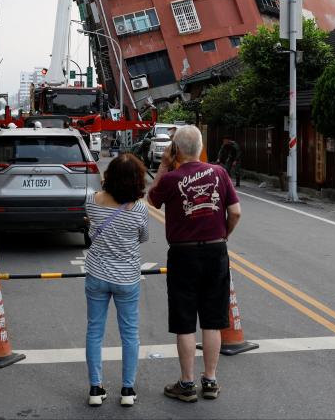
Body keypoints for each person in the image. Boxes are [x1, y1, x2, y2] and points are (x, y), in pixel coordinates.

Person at [148, 125, 241, 403]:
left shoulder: (171, 178)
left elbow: (150, 201)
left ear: (175, 149)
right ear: (201, 147)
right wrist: (223, 233)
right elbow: (235, 212)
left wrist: (164, 164)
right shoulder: (220, 173)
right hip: (216, 251)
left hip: (183, 254)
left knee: (185, 321)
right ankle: (210, 380)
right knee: (212, 321)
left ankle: (187, 385)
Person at [84, 154, 149, 407]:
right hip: (127, 278)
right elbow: (143, 238)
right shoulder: (140, 208)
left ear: (108, 176)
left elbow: (91, 229)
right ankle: (127, 391)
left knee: (94, 331)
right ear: (137, 180)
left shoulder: (92, 201)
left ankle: (95, 388)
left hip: (97, 275)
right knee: (130, 334)